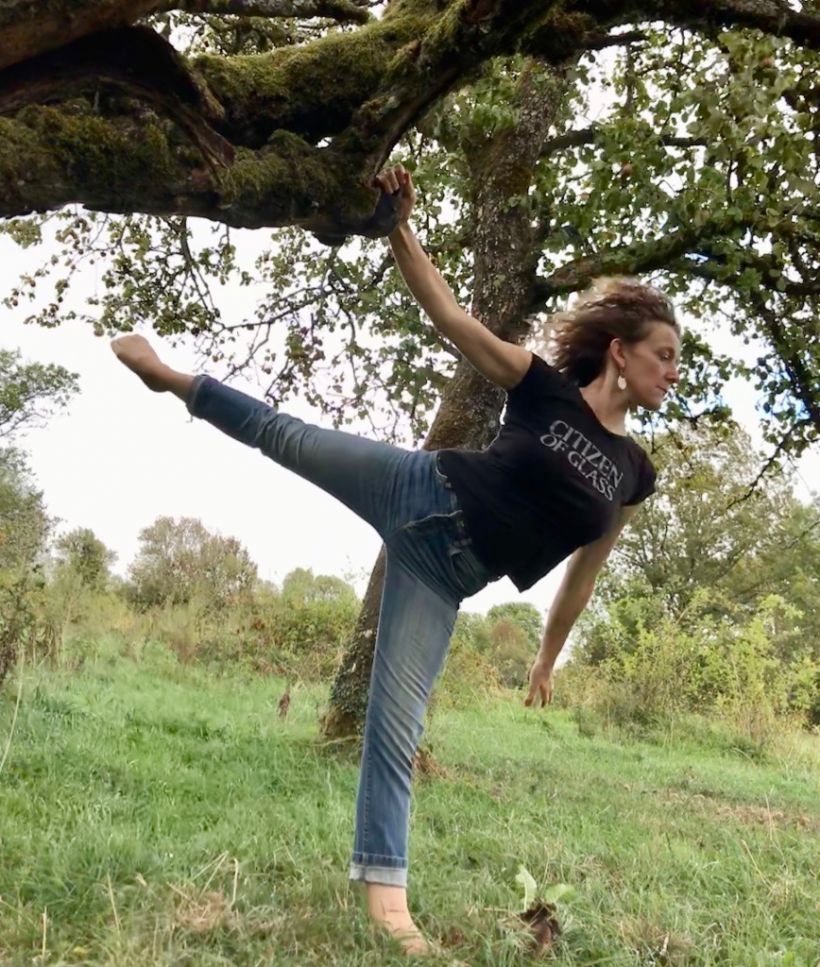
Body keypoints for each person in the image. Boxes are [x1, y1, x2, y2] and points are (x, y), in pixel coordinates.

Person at [111, 164, 681, 956]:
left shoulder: (633, 473)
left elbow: (585, 575)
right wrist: (396, 224)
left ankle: (388, 909)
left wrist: (547, 658)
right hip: (418, 486)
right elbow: (450, 317)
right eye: (664, 354)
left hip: (441, 577)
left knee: (394, 728)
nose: (672, 371)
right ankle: (169, 377)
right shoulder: (543, 387)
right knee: (287, 436)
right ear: (620, 351)